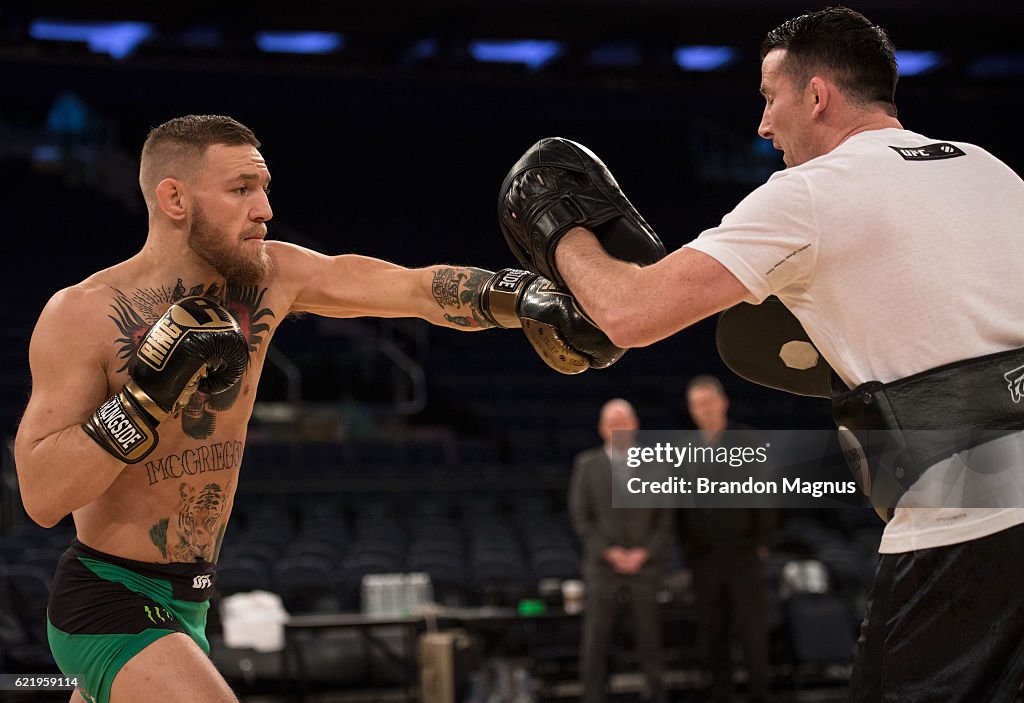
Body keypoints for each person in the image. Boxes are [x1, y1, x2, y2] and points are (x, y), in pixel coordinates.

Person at [500, 6, 1024, 700]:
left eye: (769, 99)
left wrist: (555, 225)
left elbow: (630, 312)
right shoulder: (989, 169)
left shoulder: (809, 194)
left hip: (972, 515)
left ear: (817, 96)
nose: (763, 124)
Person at [12, 114, 623, 703]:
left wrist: (524, 297)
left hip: (189, 599)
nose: (265, 209)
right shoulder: (82, 314)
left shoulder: (274, 275)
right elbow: (41, 496)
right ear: (174, 198)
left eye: (265, 188)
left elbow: (411, 289)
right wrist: (147, 397)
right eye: (241, 189)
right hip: (108, 597)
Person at [569, 398, 673, 703]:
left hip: (646, 567)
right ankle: (592, 695)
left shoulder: (658, 464)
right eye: (613, 423)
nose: (619, 428)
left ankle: (656, 694)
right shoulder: (586, 465)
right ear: (602, 428)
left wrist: (645, 552)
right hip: (602, 568)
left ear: (635, 425)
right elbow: (580, 518)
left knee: (650, 639)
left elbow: (665, 519)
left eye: (624, 422)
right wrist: (608, 552)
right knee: (596, 641)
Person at [678, 375, 774, 703]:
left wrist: (763, 542)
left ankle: (758, 695)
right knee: (713, 633)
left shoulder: (749, 440)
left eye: (707, 402)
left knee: (751, 633)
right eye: (696, 405)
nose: (702, 410)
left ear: (722, 402)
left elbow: (766, 494)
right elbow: (680, 502)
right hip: (704, 556)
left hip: (744, 552)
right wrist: (688, 548)